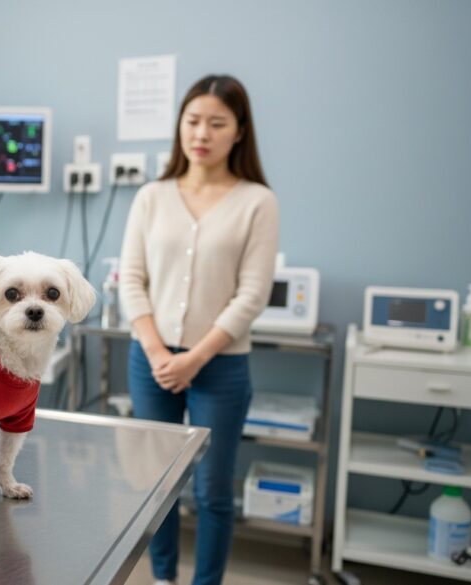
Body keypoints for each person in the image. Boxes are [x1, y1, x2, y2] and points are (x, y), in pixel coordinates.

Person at [118, 74, 279, 585]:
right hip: (151, 360)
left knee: (212, 491)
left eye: (217, 123)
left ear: (239, 131)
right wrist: (157, 351)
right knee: (158, 485)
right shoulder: (151, 196)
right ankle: (164, 578)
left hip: (221, 364)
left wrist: (194, 358)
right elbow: (131, 280)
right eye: (192, 121)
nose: (201, 133)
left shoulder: (257, 201)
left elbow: (252, 294)